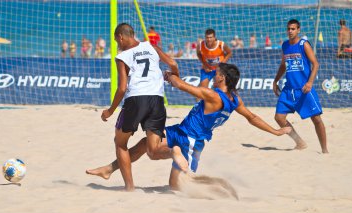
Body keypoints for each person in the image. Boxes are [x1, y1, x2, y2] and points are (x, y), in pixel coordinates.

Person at [87, 63, 291, 190]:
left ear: (222, 78)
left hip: (190, 142)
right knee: (144, 144)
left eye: (216, 73)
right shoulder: (235, 100)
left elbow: (183, 86)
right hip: (181, 130)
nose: (213, 75)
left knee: (176, 185)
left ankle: (214, 183)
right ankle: (110, 168)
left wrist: (169, 75)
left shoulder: (214, 95)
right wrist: (275, 131)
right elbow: (252, 117)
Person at [98, 23, 179, 191]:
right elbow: (172, 62)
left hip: (136, 100)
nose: (117, 44)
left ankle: (129, 188)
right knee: (153, 150)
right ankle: (174, 153)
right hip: (157, 100)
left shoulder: (123, 56)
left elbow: (122, 88)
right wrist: (173, 77)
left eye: (116, 40)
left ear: (121, 37)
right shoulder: (151, 46)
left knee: (120, 143)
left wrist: (110, 111)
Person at [272, 19, 328, 154]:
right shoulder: (285, 45)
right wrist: (275, 81)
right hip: (288, 89)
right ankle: (300, 142)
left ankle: (324, 150)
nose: (290, 31)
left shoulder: (304, 44)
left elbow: (316, 64)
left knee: (316, 119)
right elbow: (283, 65)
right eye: (288, 29)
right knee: (279, 118)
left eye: (293, 29)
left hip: (304, 89)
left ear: (298, 30)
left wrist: (309, 83)